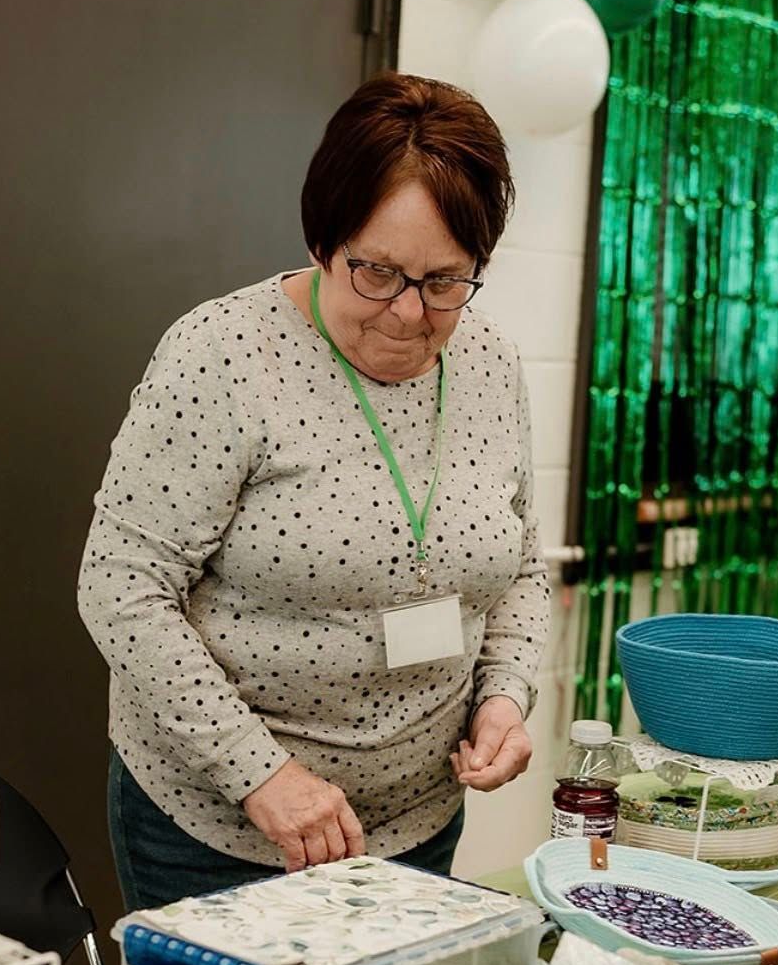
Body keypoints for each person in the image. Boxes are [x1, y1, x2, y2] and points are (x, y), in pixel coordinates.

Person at [79, 71, 550, 910]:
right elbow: (121, 587)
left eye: (444, 282)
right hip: (222, 830)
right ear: (321, 242)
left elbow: (519, 570)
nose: (409, 314)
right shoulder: (223, 355)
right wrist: (262, 774)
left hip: (416, 823)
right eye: (377, 273)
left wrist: (505, 698)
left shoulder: (492, 365)